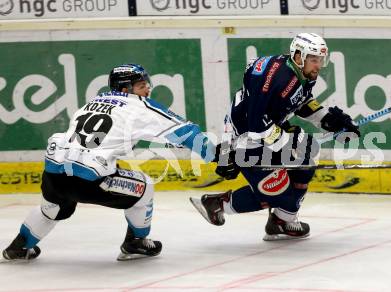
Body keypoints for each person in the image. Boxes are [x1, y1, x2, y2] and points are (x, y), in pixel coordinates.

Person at [2, 64, 215, 261]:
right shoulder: (139, 106)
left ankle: (19, 247)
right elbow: (186, 132)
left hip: (54, 174)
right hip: (89, 182)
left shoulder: (91, 103)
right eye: (141, 86)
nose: (147, 90)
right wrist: (218, 157)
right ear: (125, 90)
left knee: (52, 208)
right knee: (145, 187)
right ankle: (136, 242)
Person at [190, 33, 360, 241]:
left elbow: (301, 102)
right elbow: (256, 125)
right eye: (314, 60)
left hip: (267, 129)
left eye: (321, 60)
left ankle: (281, 221)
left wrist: (329, 120)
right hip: (245, 139)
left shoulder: (300, 73)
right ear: (299, 56)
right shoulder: (275, 79)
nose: (319, 66)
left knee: (305, 163)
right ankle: (218, 204)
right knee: (277, 190)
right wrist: (287, 141)